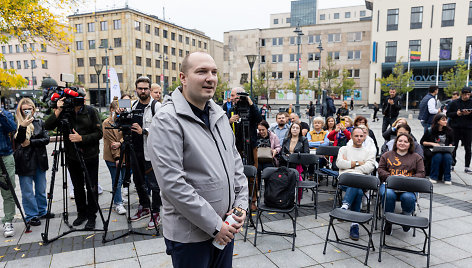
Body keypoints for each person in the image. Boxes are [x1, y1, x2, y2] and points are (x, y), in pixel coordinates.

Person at [148, 52, 248, 268]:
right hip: (191, 237)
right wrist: (215, 226)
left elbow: (236, 166)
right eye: (201, 71)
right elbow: (173, 184)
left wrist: (241, 208)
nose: (210, 77)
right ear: (183, 77)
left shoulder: (219, 115)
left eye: (213, 72)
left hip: (225, 228)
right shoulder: (167, 120)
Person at [44, 94, 102, 230]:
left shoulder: (91, 111)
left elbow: (99, 133)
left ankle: (92, 216)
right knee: (77, 187)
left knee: (91, 186)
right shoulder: (65, 112)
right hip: (72, 156)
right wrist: (58, 110)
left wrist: (81, 138)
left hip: (90, 156)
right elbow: (48, 126)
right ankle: (81, 214)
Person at [128, 76, 162, 230]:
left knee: (154, 185)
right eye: (140, 88)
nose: (143, 91)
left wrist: (144, 131)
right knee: (139, 182)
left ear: (149, 89)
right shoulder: (133, 106)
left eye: (145, 88)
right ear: (136, 89)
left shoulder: (156, 107)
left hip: (150, 153)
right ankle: (145, 207)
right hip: (135, 152)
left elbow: (162, 129)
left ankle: (156, 212)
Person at [378, 133, 425, 235]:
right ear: (396, 142)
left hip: (408, 186)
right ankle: (388, 220)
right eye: (400, 141)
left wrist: (408, 179)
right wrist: (391, 177)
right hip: (389, 184)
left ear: (410, 144)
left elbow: (421, 173)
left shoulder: (416, 157)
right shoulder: (387, 155)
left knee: (408, 197)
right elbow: (380, 170)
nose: (402, 143)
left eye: (405, 141)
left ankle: (406, 217)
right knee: (389, 194)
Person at [14, 98, 51, 227]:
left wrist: (31, 143)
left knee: (41, 189)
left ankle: (42, 211)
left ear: (34, 109)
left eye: (29, 108)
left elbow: (46, 139)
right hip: (24, 161)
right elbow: (19, 140)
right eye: (24, 109)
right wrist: (23, 126)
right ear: (20, 110)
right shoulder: (17, 123)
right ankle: (31, 215)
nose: (27, 111)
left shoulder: (39, 122)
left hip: (40, 159)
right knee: (27, 191)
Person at [336, 127, 377, 240]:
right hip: (345, 180)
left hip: (359, 180)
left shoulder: (369, 152)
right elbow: (339, 163)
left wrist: (350, 166)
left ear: (364, 137)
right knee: (358, 191)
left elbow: (369, 167)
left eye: (361, 136)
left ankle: (344, 206)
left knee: (357, 184)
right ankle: (355, 225)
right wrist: (359, 163)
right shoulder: (344, 149)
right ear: (351, 136)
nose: (359, 138)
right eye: (356, 136)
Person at [102, 100, 126, 215]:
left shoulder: (123, 121)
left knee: (122, 179)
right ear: (112, 110)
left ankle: (119, 197)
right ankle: (118, 203)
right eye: (117, 111)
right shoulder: (107, 123)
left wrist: (120, 143)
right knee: (117, 179)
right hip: (112, 157)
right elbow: (112, 143)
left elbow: (127, 136)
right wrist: (117, 158)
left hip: (124, 155)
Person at [227, 87, 262, 166]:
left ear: (239, 96)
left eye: (233, 96)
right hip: (237, 143)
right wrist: (229, 121)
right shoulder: (232, 110)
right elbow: (224, 127)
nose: (231, 98)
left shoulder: (251, 108)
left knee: (253, 165)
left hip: (251, 143)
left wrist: (251, 103)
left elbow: (259, 119)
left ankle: (253, 178)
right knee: (237, 166)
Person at [420, 113, 454, 184]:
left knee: (447, 157)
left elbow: (452, 141)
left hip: (445, 149)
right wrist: (432, 144)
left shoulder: (449, 131)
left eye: (446, 120)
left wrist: (451, 145)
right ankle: (433, 177)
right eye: (443, 120)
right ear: (438, 121)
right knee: (437, 156)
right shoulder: (430, 130)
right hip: (433, 149)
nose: (446, 122)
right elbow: (422, 142)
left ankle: (447, 178)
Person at [255, 120, 281, 210]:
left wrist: (275, 151)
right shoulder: (256, 136)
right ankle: (257, 194)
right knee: (256, 173)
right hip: (258, 159)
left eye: (263, 130)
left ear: (267, 128)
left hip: (268, 159)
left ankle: (268, 196)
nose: (261, 132)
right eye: (259, 130)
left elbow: (278, 147)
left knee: (268, 175)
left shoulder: (273, 136)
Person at [446, 87, 472, 173]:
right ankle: (452, 164)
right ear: (461, 94)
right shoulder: (454, 103)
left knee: (468, 147)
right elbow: (448, 114)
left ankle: (467, 166)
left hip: (468, 128)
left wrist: (468, 113)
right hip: (455, 128)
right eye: (465, 94)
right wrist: (457, 114)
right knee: (454, 146)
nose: (467, 96)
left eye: (468, 94)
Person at [0, 106, 17, 237]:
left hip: (5, 156)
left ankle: (8, 221)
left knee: (8, 190)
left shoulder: (5, 114)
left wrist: (1, 115)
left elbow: (12, 128)